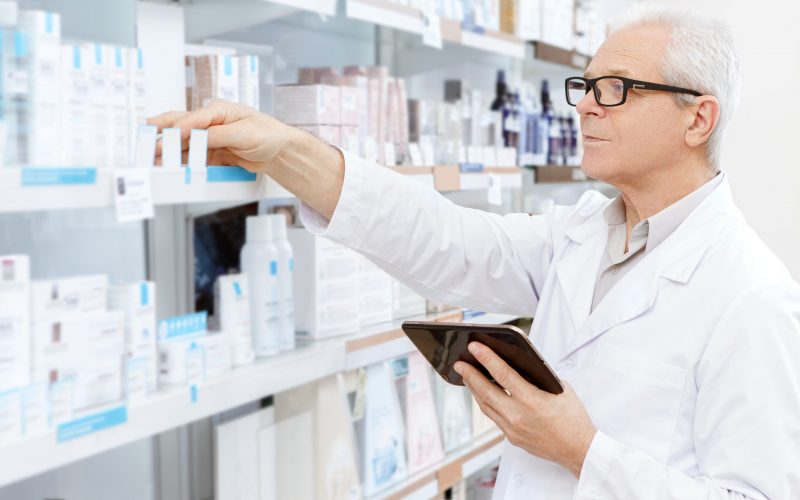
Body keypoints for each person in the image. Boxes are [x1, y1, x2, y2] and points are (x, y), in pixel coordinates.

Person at [149, 7, 800, 499]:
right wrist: (286, 149)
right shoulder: (581, 235)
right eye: (585, 85)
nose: (585, 109)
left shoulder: (751, 297)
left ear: (697, 119)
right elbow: (443, 241)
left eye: (616, 89)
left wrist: (583, 450)